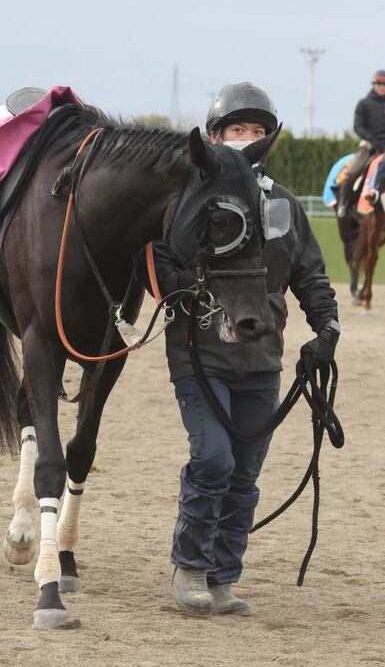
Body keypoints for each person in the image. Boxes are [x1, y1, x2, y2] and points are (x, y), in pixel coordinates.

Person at [148, 82, 340, 617]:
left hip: (263, 358)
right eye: (238, 130)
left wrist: (327, 330)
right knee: (212, 459)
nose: (248, 139)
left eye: (258, 132)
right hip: (200, 354)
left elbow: (311, 274)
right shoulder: (188, 203)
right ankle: (189, 568)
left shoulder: (281, 205)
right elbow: (158, 267)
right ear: (214, 138)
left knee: (244, 473)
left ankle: (222, 575)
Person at [337, 70, 385, 217]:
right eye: (380, 83)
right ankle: (343, 203)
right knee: (352, 172)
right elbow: (358, 126)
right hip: (369, 145)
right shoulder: (364, 104)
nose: (383, 86)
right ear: (374, 84)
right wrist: (373, 140)